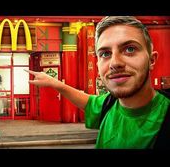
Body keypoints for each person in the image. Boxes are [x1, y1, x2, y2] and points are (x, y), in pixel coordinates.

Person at [25, 16, 170, 149]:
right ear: (97, 65)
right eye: (105, 53)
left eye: (130, 49)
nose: (115, 63)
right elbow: (87, 102)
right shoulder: (109, 104)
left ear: (152, 60)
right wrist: (53, 83)